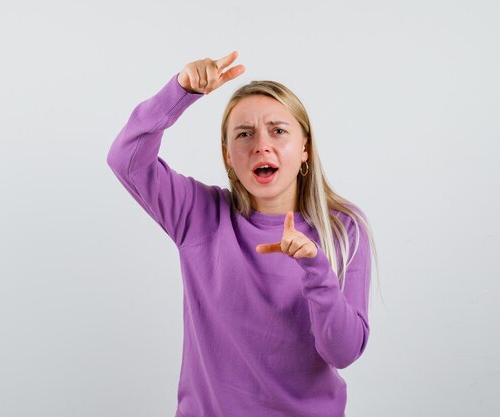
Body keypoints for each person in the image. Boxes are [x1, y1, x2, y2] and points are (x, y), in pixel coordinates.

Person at [107, 51, 375, 417]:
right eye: (244, 134)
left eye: (278, 131)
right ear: (228, 155)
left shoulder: (343, 229)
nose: (261, 145)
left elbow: (342, 352)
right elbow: (126, 159)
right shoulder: (198, 214)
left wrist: (316, 267)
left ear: (304, 150)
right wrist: (180, 91)